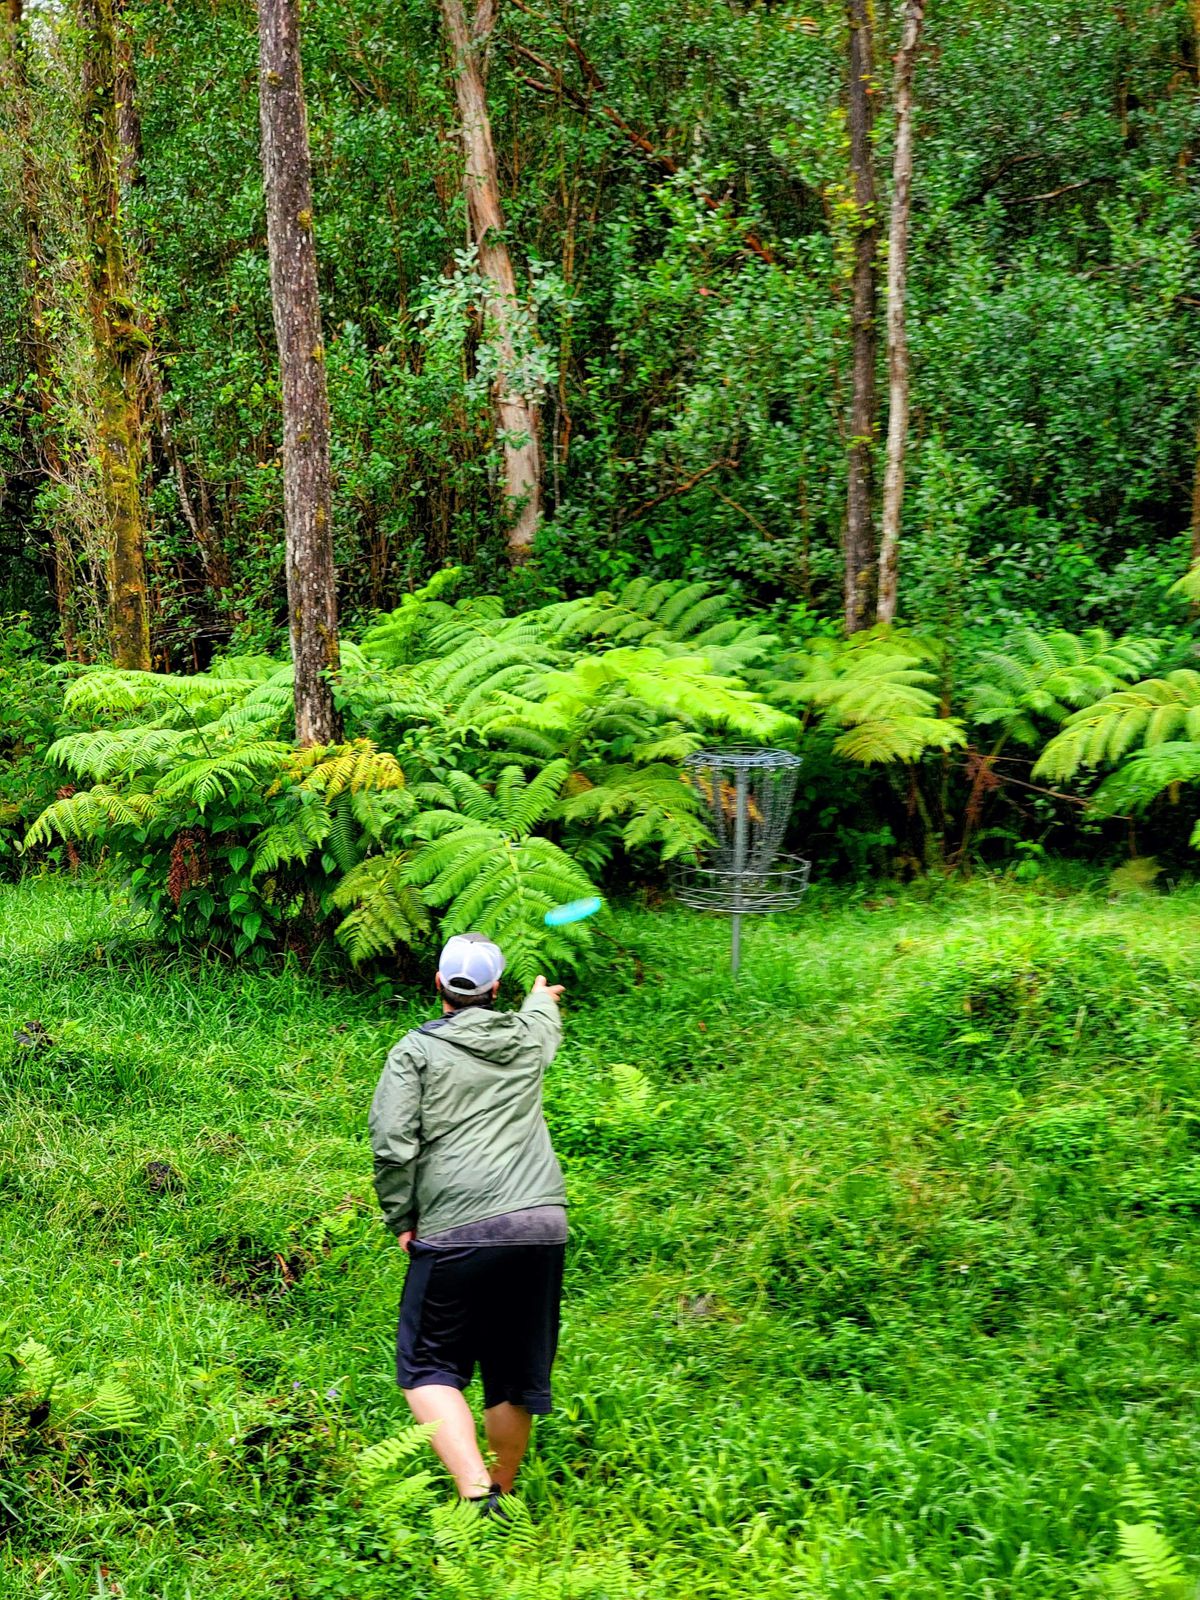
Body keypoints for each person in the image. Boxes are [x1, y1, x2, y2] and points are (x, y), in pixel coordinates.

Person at [369, 931, 568, 1512]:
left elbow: (391, 1145)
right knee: (512, 1372)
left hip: (458, 1226)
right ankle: (504, 1491)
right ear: (494, 989)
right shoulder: (526, 1038)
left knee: (429, 1366)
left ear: (438, 985)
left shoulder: (415, 1052)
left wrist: (402, 1216)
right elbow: (541, 1023)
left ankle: (476, 1495)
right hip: (541, 1225)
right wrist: (540, 997)